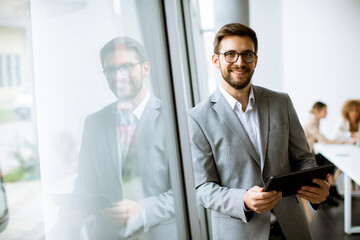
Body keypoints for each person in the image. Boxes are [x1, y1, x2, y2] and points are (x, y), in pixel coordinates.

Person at [188, 23, 330, 240]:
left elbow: (303, 159)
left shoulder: (281, 102)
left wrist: (317, 190)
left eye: (247, 54)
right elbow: (202, 188)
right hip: (240, 233)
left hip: (292, 228)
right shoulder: (198, 118)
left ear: (256, 59)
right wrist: (242, 199)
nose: (240, 62)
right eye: (230, 54)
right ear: (216, 60)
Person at [60, 37, 177, 239]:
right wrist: (73, 208)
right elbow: (85, 181)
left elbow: (189, 192)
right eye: (111, 70)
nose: (118, 76)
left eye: (126, 67)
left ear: (145, 68)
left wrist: (143, 209)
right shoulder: (94, 122)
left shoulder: (175, 119)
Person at [304, 101, 353, 205]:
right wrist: (342, 141)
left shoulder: (315, 120)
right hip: (306, 158)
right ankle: (330, 193)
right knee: (325, 165)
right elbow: (323, 139)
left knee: (327, 163)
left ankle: (332, 190)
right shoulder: (311, 122)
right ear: (317, 111)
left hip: (310, 153)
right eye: (325, 111)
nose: (326, 113)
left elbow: (318, 139)